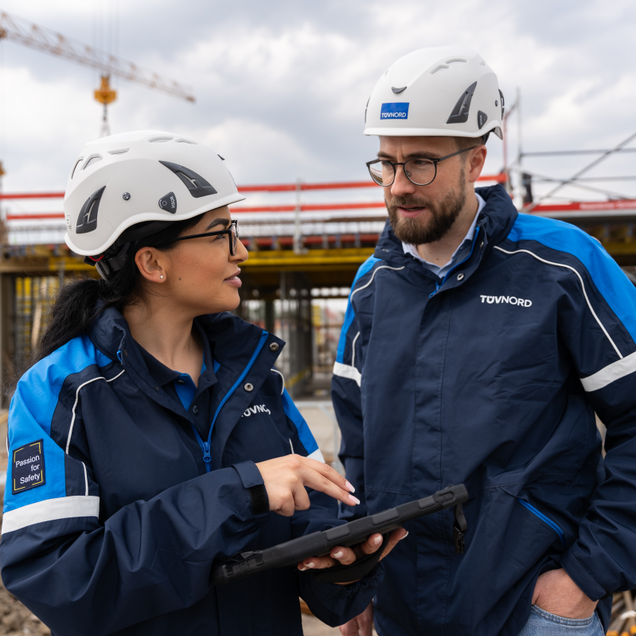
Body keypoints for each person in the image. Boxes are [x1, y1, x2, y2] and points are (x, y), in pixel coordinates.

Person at [0, 130, 405, 636]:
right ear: (152, 262)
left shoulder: (256, 377)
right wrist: (241, 493)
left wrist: (345, 563)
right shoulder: (58, 394)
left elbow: (314, 515)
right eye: (220, 232)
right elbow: (61, 579)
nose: (243, 250)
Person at [333, 47, 636, 636]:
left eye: (421, 163)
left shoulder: (562, 267)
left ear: (476, 160)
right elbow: (358, 448)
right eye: (386, 164)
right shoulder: (372, 287)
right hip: (401, 610)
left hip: (534, 608)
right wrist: (357, 572)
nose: (398, 186)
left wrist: (585, 578)